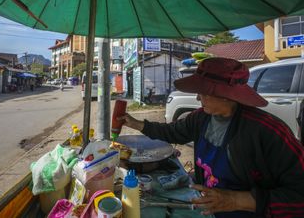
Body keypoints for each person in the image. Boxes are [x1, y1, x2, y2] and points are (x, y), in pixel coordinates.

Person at [119, 57, 304, 217]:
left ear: (226, 96)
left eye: (204, 92)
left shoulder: (267, 131)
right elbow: (172, 132)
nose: (198, 98)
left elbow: (298, 195)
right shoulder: (202, 118)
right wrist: (135, 124)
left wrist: (236, 200)